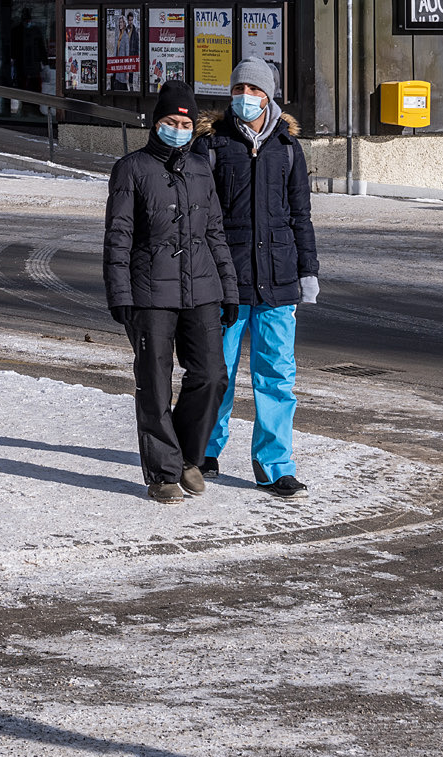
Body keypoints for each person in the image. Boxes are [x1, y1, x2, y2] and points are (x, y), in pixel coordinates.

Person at [103, 78, 238, 503]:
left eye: (185, 119)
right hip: (149, 294)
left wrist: (229, 288)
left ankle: (186, 457)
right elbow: (118, 236)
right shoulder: (132, 169)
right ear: (156, 121)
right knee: (155, 385)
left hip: (202, 290)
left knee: (213, 376)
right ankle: (162, 473)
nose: (178, 125)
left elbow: (215, 232)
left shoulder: (201, 167)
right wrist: (120, 294)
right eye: (170, 118)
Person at [198, 59, 319, 496]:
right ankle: (203, 452)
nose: (244, 96)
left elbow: (300, 216)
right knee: (216, 373)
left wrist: (308, 270)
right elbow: (199, 218)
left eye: (253, 89)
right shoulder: (211, 144)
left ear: (269, 96)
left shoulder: (287, 147)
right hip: (225, 282)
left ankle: (274, 465)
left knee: (277, 378)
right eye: (238, 88)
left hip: (278, 281)